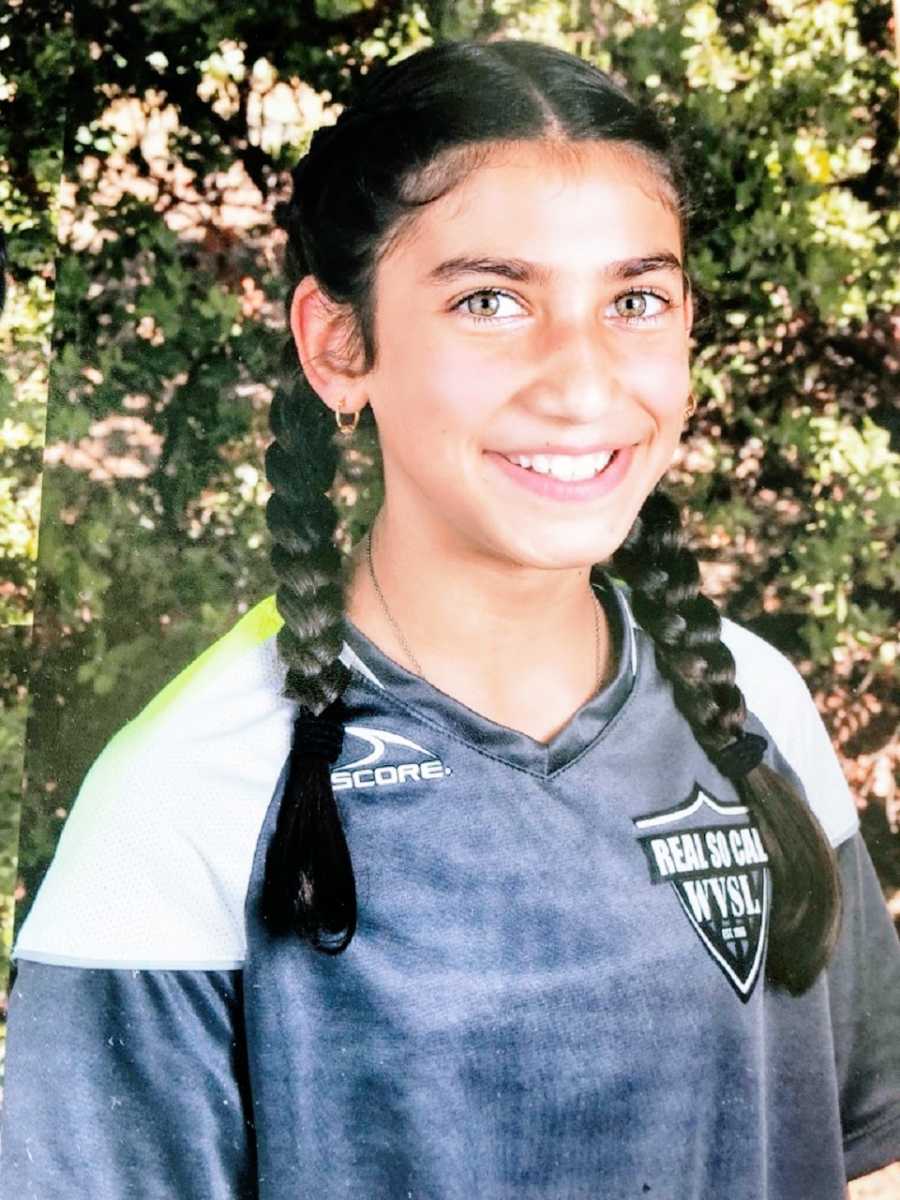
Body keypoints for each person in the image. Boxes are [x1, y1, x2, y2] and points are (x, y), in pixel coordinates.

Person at [0, 37, 898, 1200]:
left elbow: (873, 1151)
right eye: (491, 300)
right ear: (339, 345)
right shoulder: (186, 795)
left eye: (634, 299)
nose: (580, 383)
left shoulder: (753, 703)